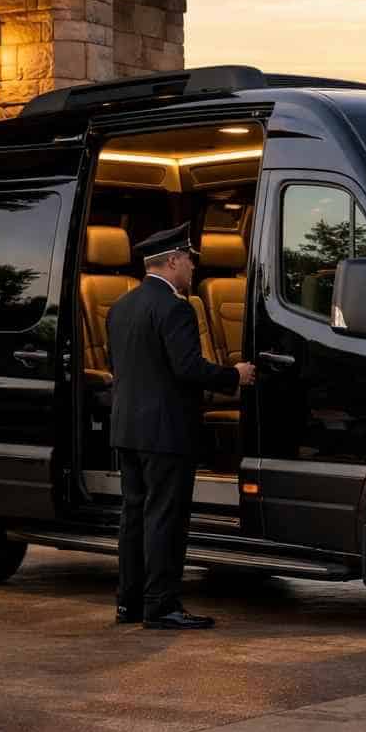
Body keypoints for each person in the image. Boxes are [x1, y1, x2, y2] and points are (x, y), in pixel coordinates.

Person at [107, 223, 255, 630]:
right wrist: (234, 376)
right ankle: (161, 606)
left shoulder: (122, 307)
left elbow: (120, 369)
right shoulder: (176, 307)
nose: (192, 267)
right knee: (165, 519)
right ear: (172, 260)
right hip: (166, 432)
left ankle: (129, 603)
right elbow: (188, 369)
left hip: (128, 430)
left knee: (134, 517)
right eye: (189, 259)